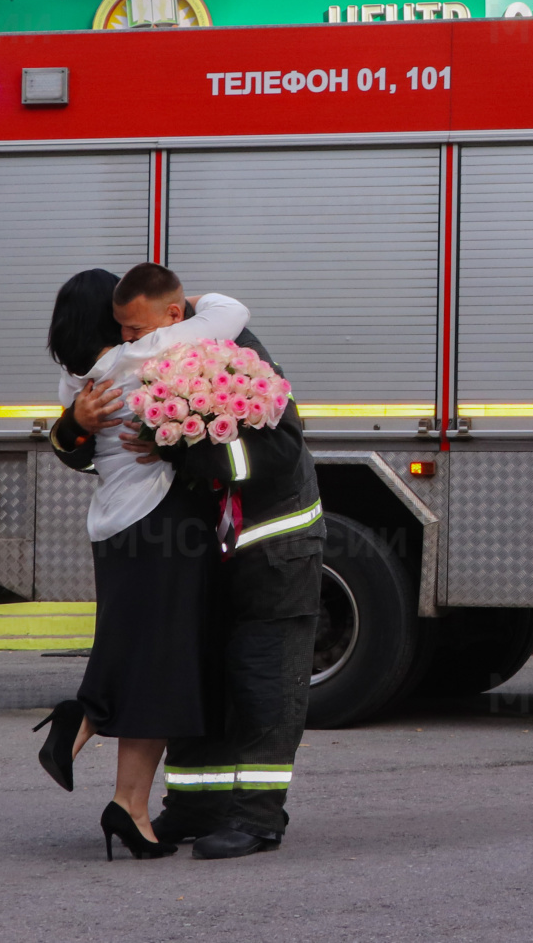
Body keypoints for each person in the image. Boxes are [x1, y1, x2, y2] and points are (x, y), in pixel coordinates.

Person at [76, 262, 325, 861]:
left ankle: (258, 816)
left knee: (264, 681)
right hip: (203, 557)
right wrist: (79, 428)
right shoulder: (159, 361)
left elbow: (275, 455)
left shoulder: (237, 358)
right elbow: (101, 454)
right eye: (123, 334)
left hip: (272, 550)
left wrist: (182, 446)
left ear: (174, 314)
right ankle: (195, 803)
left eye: (136, 330)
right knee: (199, 677)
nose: (131, 345)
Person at [34, 270, 251, 860]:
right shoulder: (140, 354)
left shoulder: (76, 381)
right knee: (159, 663)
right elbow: (231, 310)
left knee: (146, 658)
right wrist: (180, 301)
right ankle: (84, 719)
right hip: (159, 524)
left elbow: (71, 441)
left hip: (112, 523)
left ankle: (128, 805)